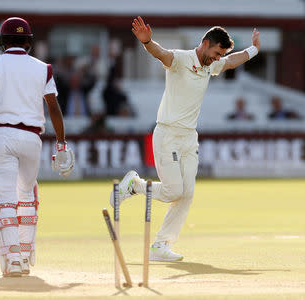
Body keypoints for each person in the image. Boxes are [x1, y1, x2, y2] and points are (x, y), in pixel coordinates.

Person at [111, 16, 261, 261]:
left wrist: (254, 49)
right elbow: (161, 54)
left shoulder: (211, 65)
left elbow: (233, 61)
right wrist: (147, 42)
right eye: (215, 52)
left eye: (220, 55)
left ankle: (160, 245)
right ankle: (135, 185)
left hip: (189, 138)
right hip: (167, 133)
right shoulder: (181, 59)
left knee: (187, 193)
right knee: (173, 191)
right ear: (205, 42)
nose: (217, 58)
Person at [0, 17, 74, 277]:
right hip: (32, 139)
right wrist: (62, 143)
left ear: (2, 42)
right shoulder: (43, 68)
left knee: (5, 200)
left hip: (1, 136)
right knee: (27, 197)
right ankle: (23, 253)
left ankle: (13, 260)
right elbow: (53, 107)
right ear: (29, 42)